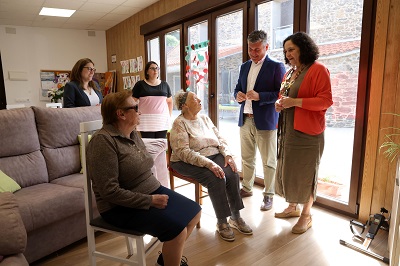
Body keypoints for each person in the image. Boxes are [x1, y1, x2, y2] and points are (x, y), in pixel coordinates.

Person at [86, 90, 201, 265]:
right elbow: (109, 192)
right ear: (121, 114)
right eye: (136, 107)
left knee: (195, 212)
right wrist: (149, 200)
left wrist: (153, 195)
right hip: (118, 207)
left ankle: (165, 261)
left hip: (151, 191)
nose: (140, 111)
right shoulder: (102, 142)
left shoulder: (132, 132)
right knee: (177, 230)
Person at [169, 91, 252, 242]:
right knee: (216, 178)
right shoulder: (179, 123)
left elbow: (220, 138)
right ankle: (221, 222)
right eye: (195, 99)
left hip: (213, 155)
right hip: (186, 161)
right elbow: (183, 152)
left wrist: (227, 154)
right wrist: (208, 164)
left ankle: (235, 216)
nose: (200, 100)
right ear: (185, 106)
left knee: (232, 172)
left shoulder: (204, 118)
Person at [274, 32, 333, 234]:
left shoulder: (318, 69)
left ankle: (306, 216)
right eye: (286, 51)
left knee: (306, 173)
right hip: (288, 130)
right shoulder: (291, 72)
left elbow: (325, 101)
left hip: (308, 133)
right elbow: (283, 95)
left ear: (303, 49)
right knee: (288, 169)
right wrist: (279, 103)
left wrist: (295, 102)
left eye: (292, 49)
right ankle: (292, 207)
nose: (288, 54)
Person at [233, 30, 286, 211]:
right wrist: (237, 95)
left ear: (266, 47)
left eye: (257, 49)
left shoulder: (276, 66)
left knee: (268, 161)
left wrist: (259, 96)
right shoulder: (244, 66)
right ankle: (247, 188)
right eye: (250, 49)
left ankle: (269, 195)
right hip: (245, 119)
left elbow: (281, 94)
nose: (254, 53)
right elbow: (237, 89)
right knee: (247, 158)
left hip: (266, 121)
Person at [132, 61, 173, 138]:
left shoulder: (165, 85)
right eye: (152, 68)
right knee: (149, 146)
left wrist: (169, 116)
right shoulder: (140, 85)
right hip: (146, 122)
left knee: (161, 145)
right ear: (147, 71)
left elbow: (170, 101)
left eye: (157, 68)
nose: (155, 70)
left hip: (162, 121)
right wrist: (135, 114)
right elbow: (132, 102)